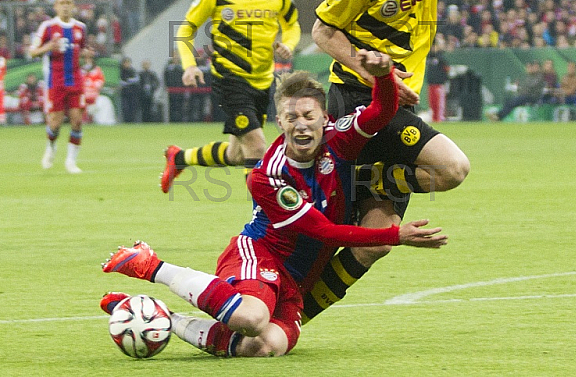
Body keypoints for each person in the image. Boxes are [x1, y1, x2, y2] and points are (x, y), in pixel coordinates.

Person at [101, 50, 448, 357]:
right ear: (279, 122)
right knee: (251, 319)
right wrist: (393, 235)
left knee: (264, 346)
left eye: (309, 116)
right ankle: (150, 265)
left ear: (324, 118)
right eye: (291, 118)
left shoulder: (338, 139)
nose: (301, 125)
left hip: (296, 281)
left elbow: (382, 109)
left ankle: (161, 317)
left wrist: (384, 73)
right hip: (262, 255)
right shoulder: (267, 176)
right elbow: (324, 232)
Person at [307, 0, 473, 323]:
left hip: (397, 99)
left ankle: (298, 314)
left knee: (377, 241)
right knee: (453, 168)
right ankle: (378, 178)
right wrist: (378, 76)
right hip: (360, 97)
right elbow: (322, 31)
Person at [161, 0, 301, 193]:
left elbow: (293, 24)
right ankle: (264, 220)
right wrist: (189, 66)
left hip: (262, 81)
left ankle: (179, 158)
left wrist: (290, 44)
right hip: (229, 80)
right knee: (257, 145)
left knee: (238, 154)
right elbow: (186, 29)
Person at [29, 0, 88, 174]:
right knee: (55, 123)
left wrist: (87, 54)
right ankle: (51, 147)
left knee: (77, 121)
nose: (65, 6)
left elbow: (83, 48)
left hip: (76, 80)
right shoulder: (47, 27)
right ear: (55, 6)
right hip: (55, 81)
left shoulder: (80, 28)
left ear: (73, 6)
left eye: (68, 2)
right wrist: (48, 47)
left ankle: (71, 162)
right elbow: (32, 51)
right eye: (61, 2)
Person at [426, 34, 449, 121]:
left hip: (439, 84)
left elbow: (447, 69)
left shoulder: (441, 57)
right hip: (431, 83)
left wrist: (444, 80)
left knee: (439, 104)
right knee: (432, 103)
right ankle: (434, 119)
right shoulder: (429, 57)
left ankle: (440, 119)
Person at [81, 47, 105, 123]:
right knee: (82, 110)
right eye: (86, 58)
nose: (88, 60)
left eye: (90, 58)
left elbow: (101, 81)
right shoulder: (79, 69)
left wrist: (94, 85)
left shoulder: (97, 70)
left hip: (93, 95)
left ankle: (91, 120)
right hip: (82, 94)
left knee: (92, 111)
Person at [163, 53, 186, 122]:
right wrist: (167, 86)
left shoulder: (182, 67)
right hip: (171, 90)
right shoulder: (168, 68)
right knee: (172, 105)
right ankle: (172, 120)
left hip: (181, 89)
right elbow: (165, 77)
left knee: (180, 105)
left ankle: (180, 120)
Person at [119, 57, 141, 123]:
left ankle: (133, 121)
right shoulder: (121, 71)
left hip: (133, 93)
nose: (127, 64)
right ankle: (126, 121)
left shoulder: (133, 71)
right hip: (124, 93)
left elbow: (137, 79)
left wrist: (130, 81)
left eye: (128, 62)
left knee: (133, 108)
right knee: (125, 108)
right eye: (125, 62)